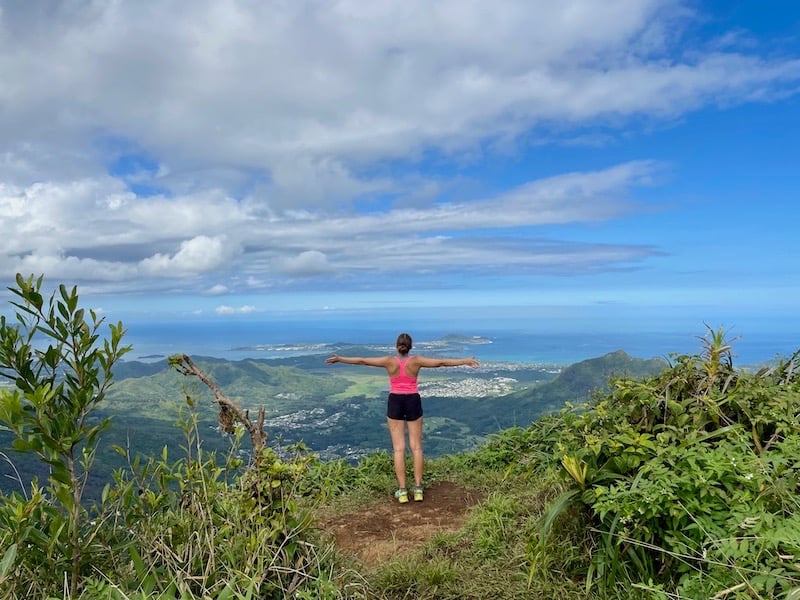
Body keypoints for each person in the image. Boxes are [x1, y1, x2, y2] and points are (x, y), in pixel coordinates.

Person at [326, 332, 479, 503]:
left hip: (395, 401)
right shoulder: (416, 361)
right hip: (413, 400)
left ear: (397, 346)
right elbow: (441, 363)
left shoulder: (389, 361)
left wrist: (340, 358)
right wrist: (465, 361)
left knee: (399, 448)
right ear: (410, 347)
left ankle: (403, 491)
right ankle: (419, 489)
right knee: (417, 447)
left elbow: (362, 360)